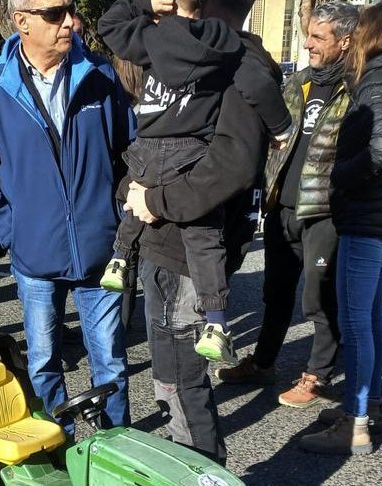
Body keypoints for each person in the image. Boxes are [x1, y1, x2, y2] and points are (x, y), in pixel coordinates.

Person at [0, 0, 134, 430]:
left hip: (100, 252)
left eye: (70, 10)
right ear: (22, 22)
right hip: (34, 258)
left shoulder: (99, 76)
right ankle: (54, 452)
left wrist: (120, 220)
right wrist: (13, 231)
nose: (70, 21)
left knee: (111, 363)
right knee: (42, 363)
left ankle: (116, 456)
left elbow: (130, 154)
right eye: (55, 13)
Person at [97, 0, 292, 365]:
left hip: (148, 148)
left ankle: (119, 260)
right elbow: (258, 86)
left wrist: (145, 3)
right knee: (204, 238)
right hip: (190, 152)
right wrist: (281, 127)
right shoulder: (229, 48)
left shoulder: (155, 39)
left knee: (135, 194)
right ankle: (217, 323)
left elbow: (111, 24)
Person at [123, 0, 269, 462]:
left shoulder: (238, 66)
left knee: (181, 375)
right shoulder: (192, 56)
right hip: (165, 240)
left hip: (186, 248)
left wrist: (154, 200)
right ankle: (190, 461)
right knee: (171, 372)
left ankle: (202, 479)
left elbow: (231, 166)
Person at [297, 1, 382, 455]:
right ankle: (366, 407)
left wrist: (340, 175)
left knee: (356, 323)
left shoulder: (379, 78)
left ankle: (354, 423)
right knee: (370, 318)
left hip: (370, 214)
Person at [217, 1, 358, 409]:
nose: (308, 43)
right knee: (275, 294)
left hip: (325, 214)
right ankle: (262, 364)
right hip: (283, 207)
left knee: (318, 298)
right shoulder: (298, 83)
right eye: (307, 34)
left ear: (345, 41)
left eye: (318, 36)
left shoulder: (358, 89)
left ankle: (317, 375)